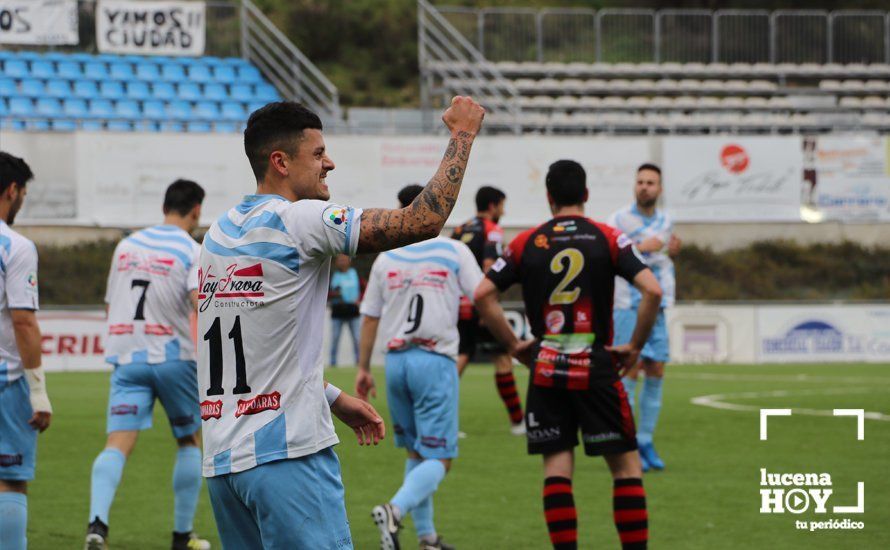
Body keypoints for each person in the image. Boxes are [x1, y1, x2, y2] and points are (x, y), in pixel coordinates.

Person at [197, 97, 484, 549]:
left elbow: (249, 344)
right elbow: (421, 220)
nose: (329, 163)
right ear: (280, 162)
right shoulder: (300, 219)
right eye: (317, 154)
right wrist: (462, 135)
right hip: (285, 455)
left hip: (222, 462)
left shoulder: (219, 232)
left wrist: (329, 395)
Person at [476, 160, 662, 550]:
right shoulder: (608, 237)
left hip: (546, 366)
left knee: (557, 470)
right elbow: (653, 291)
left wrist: (514, 344)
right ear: (587, 195)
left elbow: (482, 295)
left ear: (548, 198)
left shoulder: (526, 242)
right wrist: (635, 346)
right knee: (626, 469)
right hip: (595, 365)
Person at [356, 184, 506, 550]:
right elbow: (482, 295)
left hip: (395, 364)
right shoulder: (453, 251)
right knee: (441, 457)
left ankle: (427, 539)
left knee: (416, 453)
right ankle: (395, 509)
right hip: (434, 361)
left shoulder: (386, 258)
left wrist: (363, 368)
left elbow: (371, 317)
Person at [85, 179, 210, 550]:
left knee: (117, 442)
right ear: (197, 211)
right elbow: (199, 304)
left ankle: (97, 525)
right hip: (174, 357)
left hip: (127, 356)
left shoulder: (126, 245)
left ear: (163, 207)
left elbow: (111, 304)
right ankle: (181, 536)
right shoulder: (192, 250)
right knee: (189, 439)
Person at [609, 163, 679, 472]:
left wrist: (670, 251)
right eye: (640, 181)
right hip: (627, 303)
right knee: (630, 368)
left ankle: (647, 440)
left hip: (658, 304)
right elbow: (612, 253)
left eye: (651, 182)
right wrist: (642, 246)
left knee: (656, 368)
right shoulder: (618, 219)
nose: (645, 186)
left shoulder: (667, 220)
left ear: (660, 189)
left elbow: (663, 256)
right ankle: (629, 441)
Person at [0, 152, 52, 550]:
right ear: (12, 190)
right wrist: (38, 391)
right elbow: (23, 322)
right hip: (7, 381)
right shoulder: (15, 246)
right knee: (11, 480)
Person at [451, 186, 525, 435]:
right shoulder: (492, 231)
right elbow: (489, 267)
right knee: (502, 358)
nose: (503, 211)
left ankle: (443, 420)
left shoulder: (460, 229)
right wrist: (486, 307)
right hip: (480, 302)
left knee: (461, 356)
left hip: (456, 302)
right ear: (493, 206)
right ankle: (518, 422)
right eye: (502, 205)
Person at [329, 253, 362, 366]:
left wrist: (359, 300)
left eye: (344, 259)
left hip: (352, 311)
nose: (342, 262)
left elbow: (361, 289)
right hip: (338, 311)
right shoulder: (334, 275)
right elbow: (331, 292)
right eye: (340, 260)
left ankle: (359, 362)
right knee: (335, 338)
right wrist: (336, 294)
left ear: (349, 261)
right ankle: (333, 362)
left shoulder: (354, 274)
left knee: (357, 339)